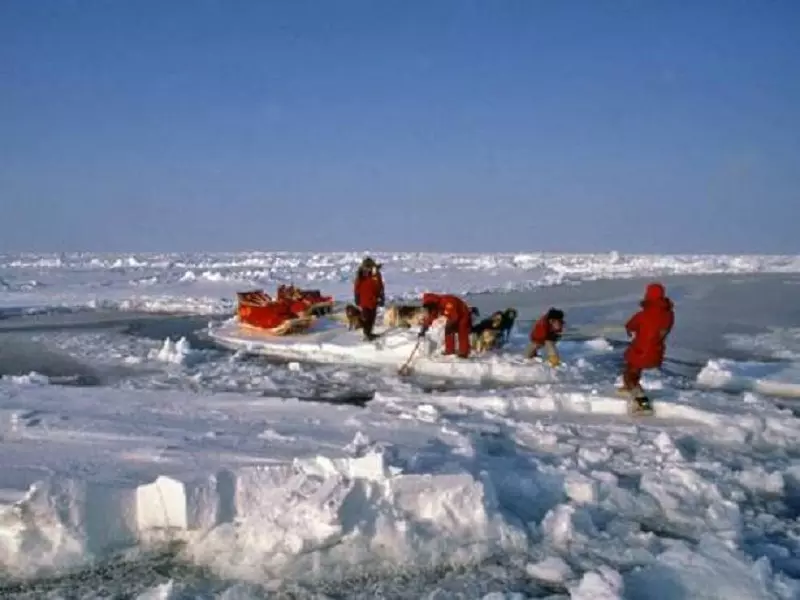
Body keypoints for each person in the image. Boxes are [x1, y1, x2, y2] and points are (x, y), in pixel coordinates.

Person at [620, 282, 675, 406]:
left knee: (630, 373)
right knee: (635, 369)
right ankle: (631, 389)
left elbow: (631, 325)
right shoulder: (669, 315)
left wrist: (630, 329)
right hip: (657, 350)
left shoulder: (644, 314)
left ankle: (641, 400)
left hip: (641, 350)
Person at [418, 292, 473, 358]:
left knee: (462, 330)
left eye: (429, 307)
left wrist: (450, 324)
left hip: (463, 313)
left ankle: (464, 352)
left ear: (432, 303)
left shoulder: (448, 302)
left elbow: (453, 316)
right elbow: (432, 316)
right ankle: (449, 351)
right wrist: (424, 327)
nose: (429, 309)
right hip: (452, 315)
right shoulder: (434, 305)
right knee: (448, 330)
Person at [353, 257, 385, 341]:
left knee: (372, 317)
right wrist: (356, 297)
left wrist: (382, 297)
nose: (369, 268)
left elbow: (380, 286)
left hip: (374, 299)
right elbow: (357, 286)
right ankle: (367, 334)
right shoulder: (361, 274)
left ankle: (369, 333)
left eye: (370, 266)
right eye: (367, 266)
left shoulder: (376, 274)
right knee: (366, 317)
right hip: (364, 299)